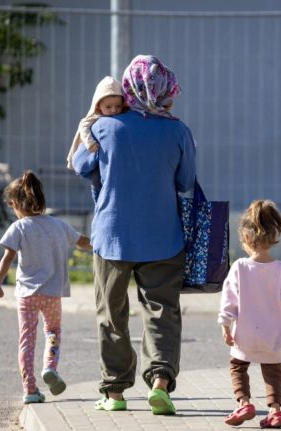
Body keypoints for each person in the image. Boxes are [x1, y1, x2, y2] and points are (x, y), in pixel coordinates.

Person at [72, 54, 196, 415]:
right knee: (162, 312)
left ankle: (114, 393)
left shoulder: (105, 127)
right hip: (164, 238)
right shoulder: (177, 130)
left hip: (112, 238)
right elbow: (186, 182)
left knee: (112, 313)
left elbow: (81, 166)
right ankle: (160, 382)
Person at [0, 170, 92, 404]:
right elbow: (83, 242)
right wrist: (100, 247)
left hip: (27, 295)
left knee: (27, 340)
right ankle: (50, 367)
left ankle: (30, 390)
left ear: (15, 204)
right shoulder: (58, 225)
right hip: (52, 294)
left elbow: (7, 258)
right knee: (53, 332)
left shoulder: (19, 228)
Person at [218, 200, 281, 429]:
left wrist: (225, 326)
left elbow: (229, 301)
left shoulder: (240, 268)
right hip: (273, 336)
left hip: (245, 334)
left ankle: (244, 402)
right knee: (273, 372)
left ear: (245, 238)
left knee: (237, 366)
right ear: (273, 237)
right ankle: (275, 411)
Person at [66, 76, 126, 201]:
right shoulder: (95, 116)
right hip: (92, 154)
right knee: (96, 179)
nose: (114, 110)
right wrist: (90, 143)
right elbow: (83, 126)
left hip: (105, 159)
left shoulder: (122, 116)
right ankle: (97, 198)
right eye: (108, 107)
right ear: (99, 105)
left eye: (118, 106)